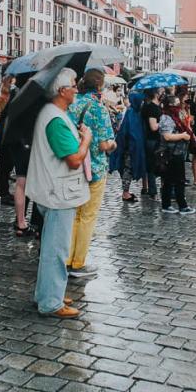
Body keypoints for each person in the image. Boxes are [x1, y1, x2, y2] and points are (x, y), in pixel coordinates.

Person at [26, 68, 91, 318]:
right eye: (74, 85)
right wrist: (86, 138)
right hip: (59, 193)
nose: (76, 89)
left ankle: (48, 292)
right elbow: (74, 159)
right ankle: (51, 302)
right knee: (56, 250)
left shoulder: (52, 113)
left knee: (51, 248)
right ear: (62, 91)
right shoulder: (55, 118)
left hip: (54, 189)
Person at [67, 68, 116, 278]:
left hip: (73, 166)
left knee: (72, 215)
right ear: (99, 85)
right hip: (94, 169)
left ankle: (67, 257)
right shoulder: (99, 108)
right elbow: (105, 144)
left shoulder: (72, 104)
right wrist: (114, 144)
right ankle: (78, 263)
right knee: (87, 216)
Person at [158, 95, 195, 215]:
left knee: (170, 180)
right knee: (178, 180)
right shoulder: (166, 118)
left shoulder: (176, 117)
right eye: (177, 104)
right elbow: (167, 136)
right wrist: (183, 136)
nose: (180, 106)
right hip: (171, 153)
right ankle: (182, 206)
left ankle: (166, 204)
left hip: (177, 151)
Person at [109, 91, 147, 203]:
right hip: (129, 148)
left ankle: (127, 192)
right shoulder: (132, 113)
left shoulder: (136, 112)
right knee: (128, 169)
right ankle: (125, 193)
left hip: (133, 146)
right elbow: (126, 131)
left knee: (129, 168)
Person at [0, 75, 15, 206]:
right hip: (2, 136)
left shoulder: (11, 99)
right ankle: (3, 194)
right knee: (4, 166)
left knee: (7, 166)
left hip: (7, 135)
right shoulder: (0, 100)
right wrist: (3, 116)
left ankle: (5, 192)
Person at [140, 88, 162, 199]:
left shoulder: (151, 106)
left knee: (153, 165)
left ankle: (151, 189)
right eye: (160, 91)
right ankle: (152, 191)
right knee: (152, 166)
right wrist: (163, 122)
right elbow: (153, 127)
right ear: (155, 93)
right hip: (152, 139)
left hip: (152, 139)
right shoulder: (152, 108)